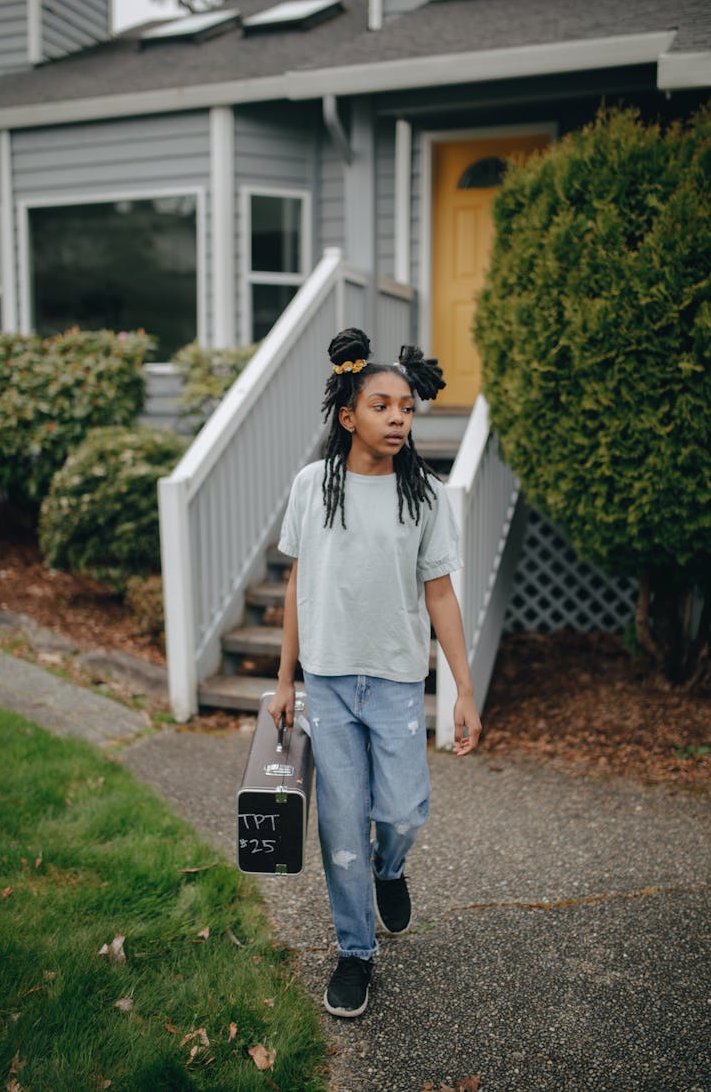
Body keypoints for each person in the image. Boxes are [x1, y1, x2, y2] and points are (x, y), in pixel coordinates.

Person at [268, 326, 481, 1019]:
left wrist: (463, 690)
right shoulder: (312, 486)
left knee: (401, 811)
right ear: (347, 414)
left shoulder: (425, 494)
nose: (398, 418)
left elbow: (441, 592)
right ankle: (356, 952)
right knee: (340, 829)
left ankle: (393, 867)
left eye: (407, 408)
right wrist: (284, 679)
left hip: (392, 684)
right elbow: (297, 584)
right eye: (383, 405)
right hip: (328, 682)